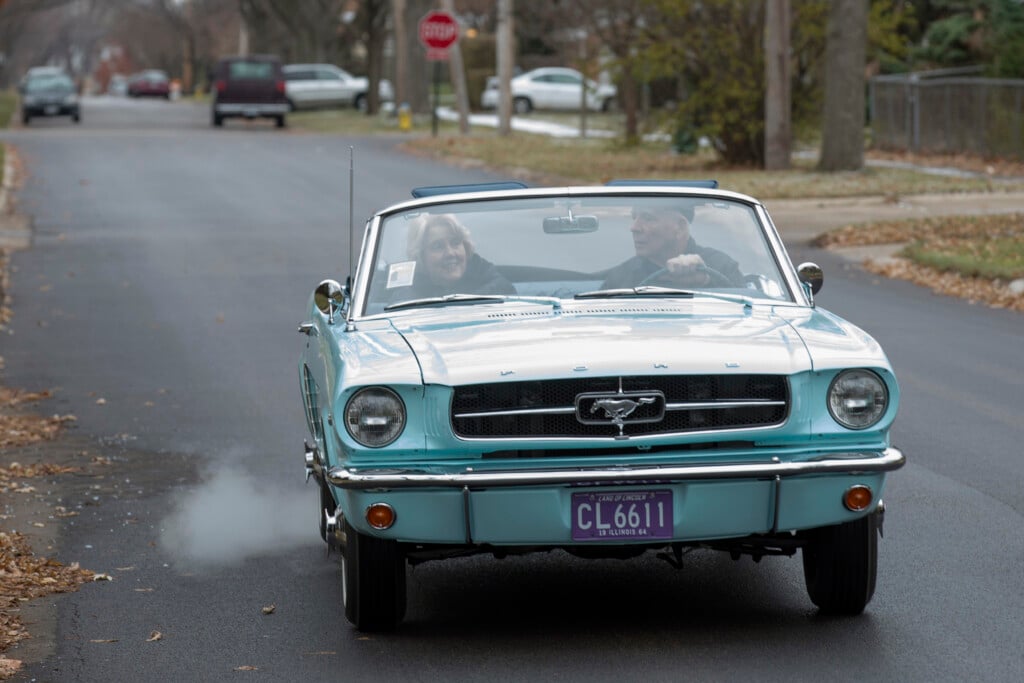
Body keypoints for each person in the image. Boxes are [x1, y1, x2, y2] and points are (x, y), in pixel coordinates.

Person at [600, 202, 743, 289]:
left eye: (648, 218)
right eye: (634, 217)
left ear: (680, 227)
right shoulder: (622, 276)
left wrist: (705, 281)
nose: (634, 227)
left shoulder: (721, 266)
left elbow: (747, 311)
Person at [395, 213, 515, 299]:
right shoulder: (407, 294)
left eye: (455, 242)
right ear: (420, 256)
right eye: (438, 246)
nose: (450, 253)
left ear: (466, 247)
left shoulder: (484, 273)